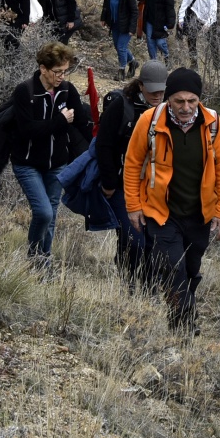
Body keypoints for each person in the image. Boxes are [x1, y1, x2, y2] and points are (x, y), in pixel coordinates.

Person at [123, 67, 220, 332]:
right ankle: (185, 324)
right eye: (179, 101)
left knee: (191, 269)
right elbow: (132, 163)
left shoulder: (213, 124)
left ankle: (178, 317)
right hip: (161, 212)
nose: (186, 107)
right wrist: (133, 206)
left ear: (199, 99)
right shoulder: (150, 122)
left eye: (192, 100)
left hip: (199, 213)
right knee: (172, 267)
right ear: (168, 99)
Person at [11, 43, 92, 263]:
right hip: (27, 163)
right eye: (57, 71)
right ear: (43, 69)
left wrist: (99, 142)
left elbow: (81, 123)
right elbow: (27, 130)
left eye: (64, 71)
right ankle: (33, 256)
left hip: (57, 163)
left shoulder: (67, 90)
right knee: (44, 212)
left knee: (52, 214)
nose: (61, 76)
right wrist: (61, 120)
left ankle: (44, 260)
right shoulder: (25, 91)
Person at [95, 61, 166, 288]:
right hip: (122, 186)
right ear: (141, 85)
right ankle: (128, 280)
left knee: (152, 241)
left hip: (155, 189)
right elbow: (104, 146)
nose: (157, 95)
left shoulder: (170, 109)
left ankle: (146, 286)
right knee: (133, 238)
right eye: (152, 90)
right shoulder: (121, 107)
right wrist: (109, 183)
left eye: (161, 90)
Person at [176, 0, 217, 67]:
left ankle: (216, 65)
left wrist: (208, 23)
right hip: (194, 18)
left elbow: (213, 8)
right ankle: (194, 64)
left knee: (213, 42)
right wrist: (180, 19)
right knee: (191, 40)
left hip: (207, 20)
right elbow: (184, 3)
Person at [100, 0, 138, 78]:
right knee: (118, 47)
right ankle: (133, 62)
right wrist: (103, 18)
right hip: (115, 23)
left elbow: (134, 12)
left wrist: (132, 28)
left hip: (126, 25)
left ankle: (121, 71)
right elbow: (106, 4)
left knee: (121, 47)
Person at [137, 0, 176, 64]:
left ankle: (167, 57)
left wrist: (170, 23)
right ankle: (153, 63)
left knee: (160, 42)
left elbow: (170, 7)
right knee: (150, 42)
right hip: (149, 19)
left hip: (161, 20)